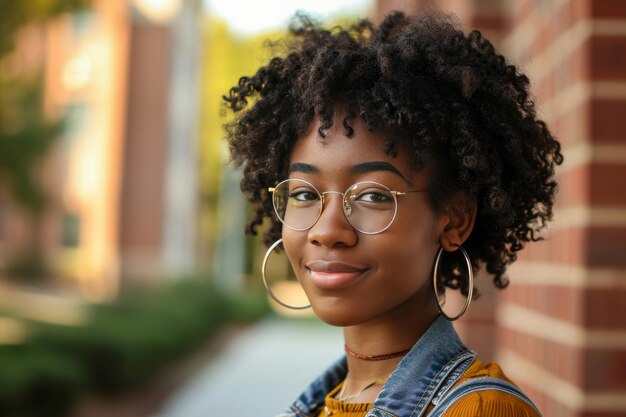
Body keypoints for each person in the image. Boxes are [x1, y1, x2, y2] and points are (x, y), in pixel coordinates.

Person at [223, 9, 562, 417]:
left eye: (373, 196)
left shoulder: (480, 410)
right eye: (304, 193)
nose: (327, 231)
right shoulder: (324, 404)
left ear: (454, 220)